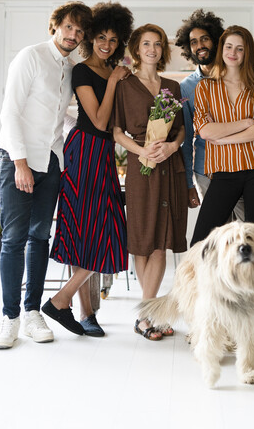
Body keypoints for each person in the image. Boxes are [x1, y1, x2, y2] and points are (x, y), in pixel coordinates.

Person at [0, 1, 92, 349]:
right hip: (18, 159)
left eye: (80, 32)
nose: (73, 35)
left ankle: (33, 312)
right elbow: (11, 112)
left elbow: (60, 115)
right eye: (69, 27)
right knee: (13, 239)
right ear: (56, 26)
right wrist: (20, 163)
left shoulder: (71, 67)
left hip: (51, 161)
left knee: (39, 238)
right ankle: (10, 318)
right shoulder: (30, 57)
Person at [43, 2, 134, 336]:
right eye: (100, 37)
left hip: (103, 153)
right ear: (90, 38)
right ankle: (69, 304)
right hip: (84, 150)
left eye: (113, 39)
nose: (106, 44)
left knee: (103, 230)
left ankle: (72, 305)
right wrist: (112, 82)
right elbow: (97, 120)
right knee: (90, 230)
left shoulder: (116, 71)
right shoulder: (82, 71)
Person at [113, 24, 188, 341]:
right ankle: (149, 314)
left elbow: (182, 130)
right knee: (142, 239)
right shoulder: (125, 85)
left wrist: (171, 147)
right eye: (146, 44)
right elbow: (117, 132)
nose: (152, 49)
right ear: (136, 49)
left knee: (161, 239)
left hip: (169, 167)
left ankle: (146, 315)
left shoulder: (173, 85)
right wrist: (143, 149)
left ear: (163, 50)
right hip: (140, 166)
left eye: (158, 44)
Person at [175, 10, 254, 226]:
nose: (199, 45)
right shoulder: (187, 87)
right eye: (193, 42)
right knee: (216, 239)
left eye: (205, 39)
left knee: (247, 234)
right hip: (206, 171)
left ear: (216, 41)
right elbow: (188, 138)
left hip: (245, 164)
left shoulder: (249, 77)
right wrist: (188, 183)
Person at [191, 25, 254, 245]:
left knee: (253, 241)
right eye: (229, 46)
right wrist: (247, 123)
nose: (233, 52)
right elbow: (205, 130)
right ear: (221, 49)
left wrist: (222, 138)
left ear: (246, 53)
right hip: (224, 171)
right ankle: (204, 280)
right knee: (202, 241)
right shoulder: (205, 88)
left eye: (239, 49)